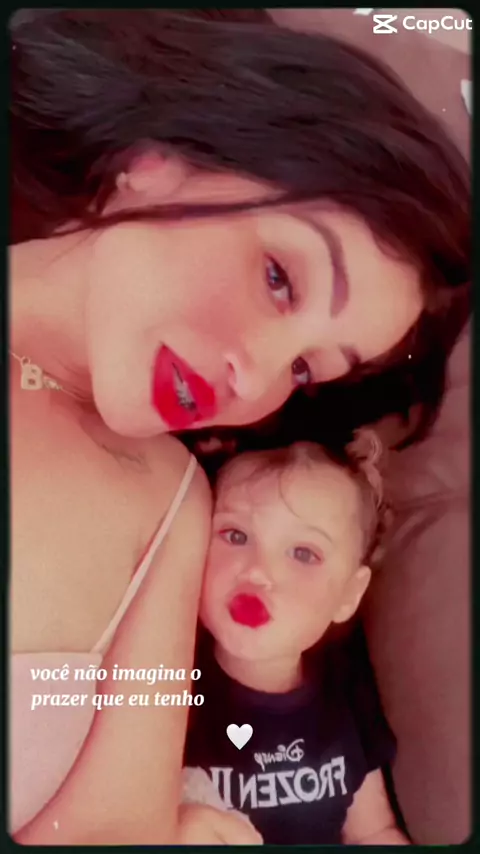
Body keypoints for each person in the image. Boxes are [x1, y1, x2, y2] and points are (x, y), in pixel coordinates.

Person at [9, 8, 469, 846]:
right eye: (279, 278)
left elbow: (110, 832)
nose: (253, 380)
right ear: (157, 160)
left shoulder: (174, 514)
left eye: (305, 370)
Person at [186, 435, 408, 845]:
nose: (257, 571)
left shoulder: (346, 691)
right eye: (235, 535)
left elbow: (374, 831)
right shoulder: (169, 685)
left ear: (348, 595)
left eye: (304, 553)